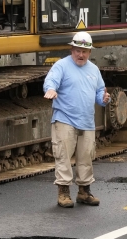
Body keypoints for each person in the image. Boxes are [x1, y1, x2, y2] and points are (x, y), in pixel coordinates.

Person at [43, 31, 110, 209]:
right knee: (63, 155)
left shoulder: (94, 70)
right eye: (77, 50)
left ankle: (84, 191)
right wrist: (50, 89)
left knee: (86, 156)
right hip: (65, 118)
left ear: (90, 52)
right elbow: (51, 81)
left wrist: (104, 98)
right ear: (72, 49)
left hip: (87, 121)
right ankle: (63, 192)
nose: (81, 55)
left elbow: (99, 92)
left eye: (85, 51)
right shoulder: (61, 66)